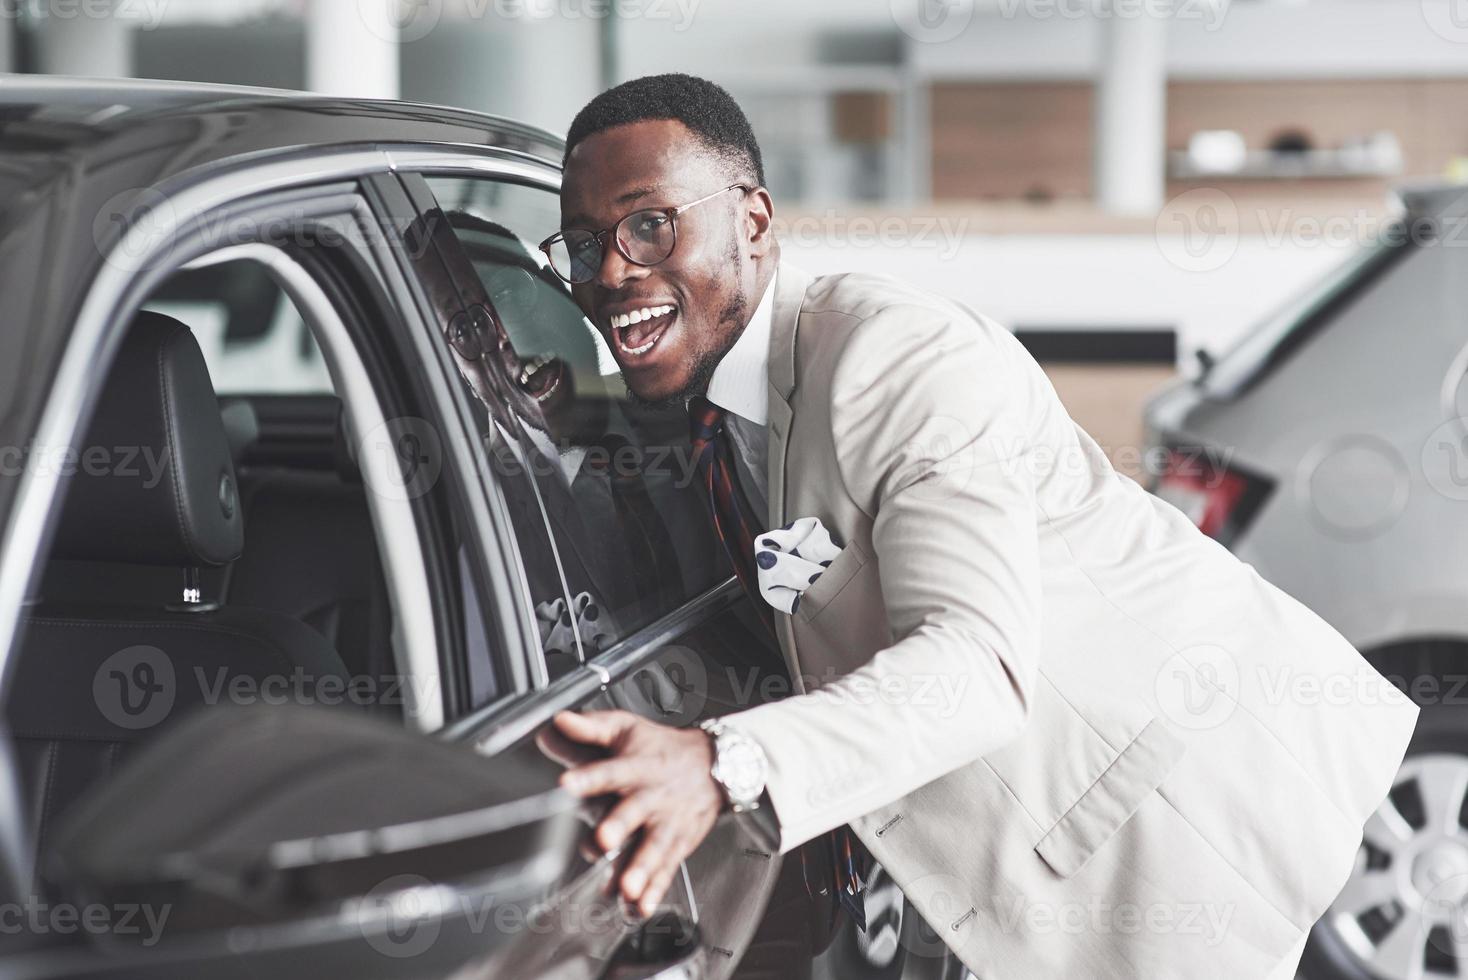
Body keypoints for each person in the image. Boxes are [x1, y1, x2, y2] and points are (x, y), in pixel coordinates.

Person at [543, 73, 1419, 978]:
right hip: (975, 871)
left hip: (1162, 827)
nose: (610, 272)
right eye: (581, 244)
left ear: (755, 222)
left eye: (650, 224)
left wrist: (721, 767)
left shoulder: (897, 358)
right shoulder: (711, 402)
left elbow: (975, 668)